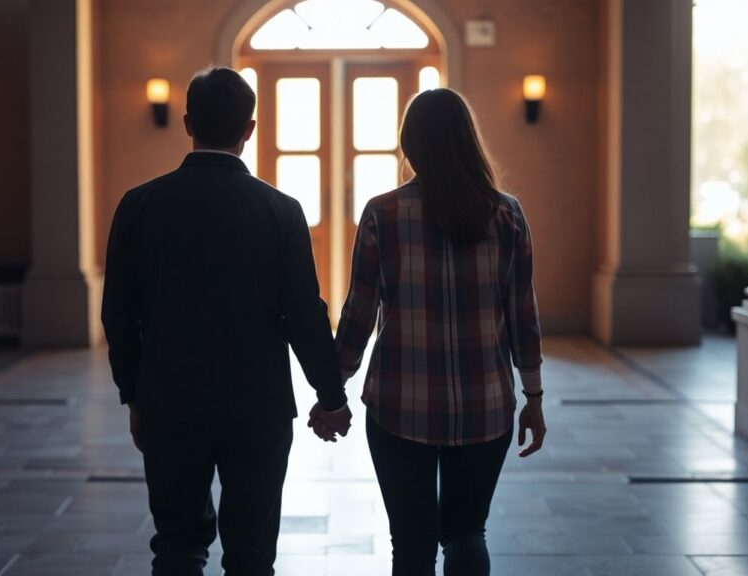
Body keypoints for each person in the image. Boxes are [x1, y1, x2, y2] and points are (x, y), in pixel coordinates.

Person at [101, 66, 352, 576]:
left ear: (188, 122)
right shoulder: (280, 210)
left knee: (176, 544)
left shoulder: (140, 205)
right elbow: (304, 314)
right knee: (252, 553)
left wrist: (135, 393)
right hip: (256, 406)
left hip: (169, 401)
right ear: (250, 129)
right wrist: (331, 396)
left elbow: (118, 314)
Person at [314, 88, 547, 576]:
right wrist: (534, 397)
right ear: (469, 142)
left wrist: (333, 394)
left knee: (413, 542)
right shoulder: (507, 214)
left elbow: (358, 316)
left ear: (409, 144)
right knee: (467, 532)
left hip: (400, 404)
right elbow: (523, 315)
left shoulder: (383, 214)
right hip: (486, 406)